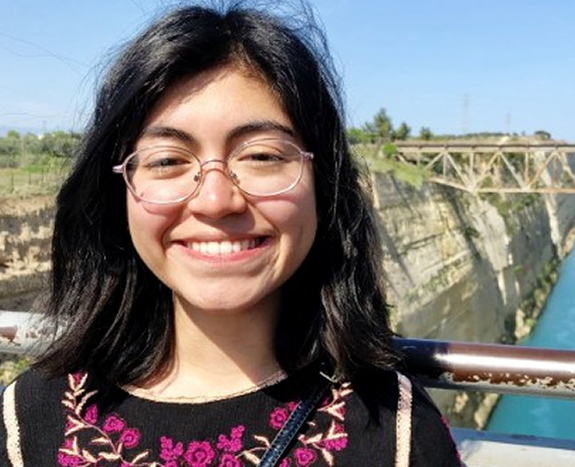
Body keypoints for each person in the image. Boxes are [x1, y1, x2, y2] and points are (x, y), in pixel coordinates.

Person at [0, 3, 463, 466]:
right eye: (167, 160)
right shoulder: (26, 423)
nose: (216, 200)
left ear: (324, 186)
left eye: (261, 156)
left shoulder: (398, 435)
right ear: (116, 193)